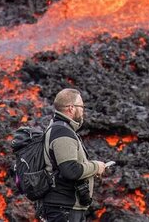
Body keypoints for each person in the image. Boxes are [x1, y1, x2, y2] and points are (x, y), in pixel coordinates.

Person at [38, 88, 111, 222]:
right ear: (71, 108)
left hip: (65, 207)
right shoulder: (62, 132)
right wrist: (96, 167)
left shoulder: (59, 128)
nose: (83, 110)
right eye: (81, 106)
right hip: (64, 208)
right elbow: (70, 170)